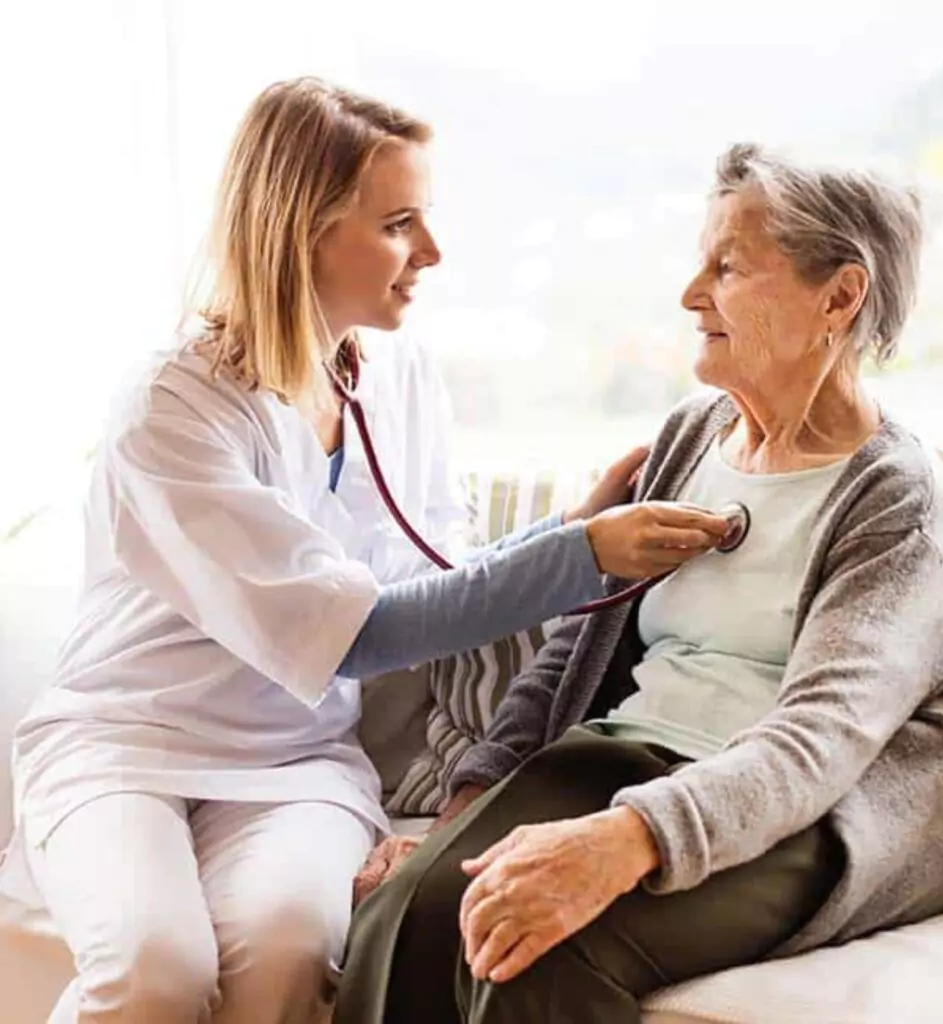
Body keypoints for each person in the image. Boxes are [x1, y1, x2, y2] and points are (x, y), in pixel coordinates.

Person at [0, 78, 731, 1024]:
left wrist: (567, 531)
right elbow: (355, 635)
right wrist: (584, 553)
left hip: (294, 761)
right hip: (125, 747)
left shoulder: (398, 373)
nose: (430, 252)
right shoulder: (172, 408)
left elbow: (433, 578)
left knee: (289, 954)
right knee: (155, 969)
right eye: (398, 224)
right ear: (300, 229)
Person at [334, 142, 943, 1024]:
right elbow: (579, 645)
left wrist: (628, 840)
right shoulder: (692, 437)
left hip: (809, 815)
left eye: (727, 267)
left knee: (525, 953)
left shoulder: (892, 502)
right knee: (402, 913)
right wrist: (462, 810)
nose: (691, 295)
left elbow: (820, 740)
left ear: (839, 296)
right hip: (624, 757)